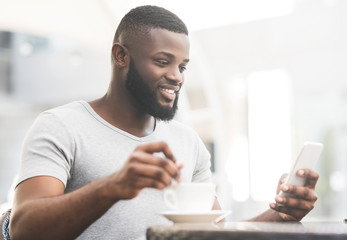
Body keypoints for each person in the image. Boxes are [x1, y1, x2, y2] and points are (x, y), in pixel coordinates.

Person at [8, 5, 319, 240]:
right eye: (162, 61)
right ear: (121, 56)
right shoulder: (60, 126)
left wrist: (282, 215)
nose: (177, 76)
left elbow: (213, 235)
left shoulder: (187, 142)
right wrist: (114, 186)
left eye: (182, 66)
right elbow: (23, 229)